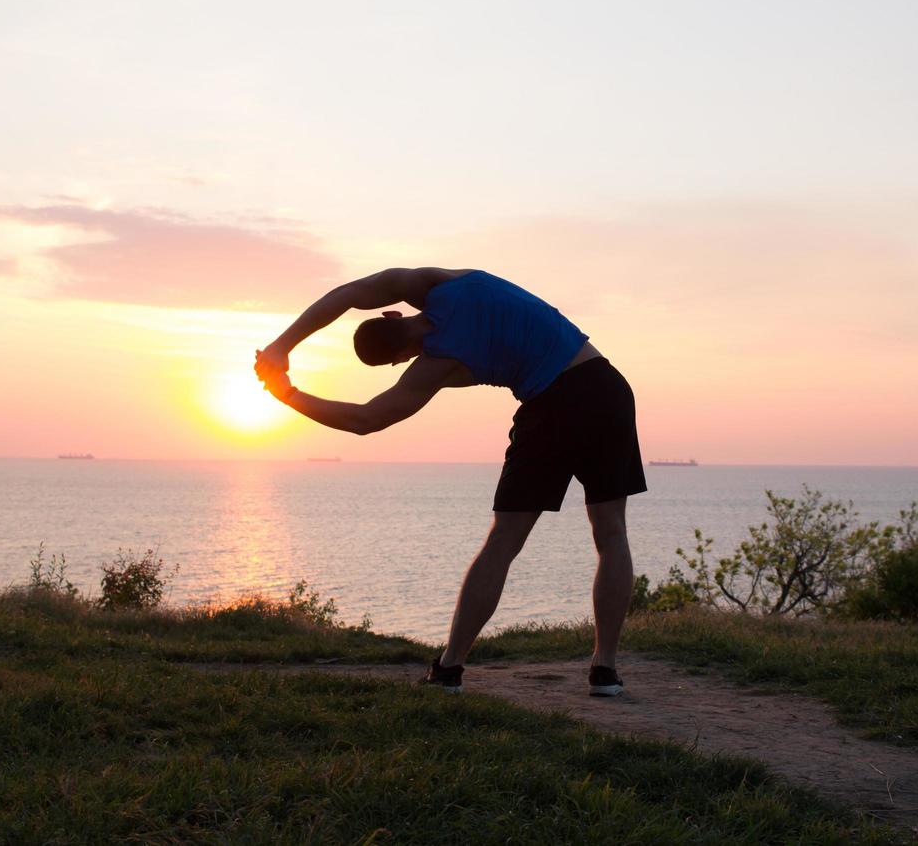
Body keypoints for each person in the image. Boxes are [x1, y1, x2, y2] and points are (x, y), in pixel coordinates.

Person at [253, 267, 646, 696]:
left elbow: (364, 419)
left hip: (551, 404)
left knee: (503, 543)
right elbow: (349, 292)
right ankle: (604, 670)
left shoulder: (438, 364)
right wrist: (280, 346)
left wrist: (286, 394)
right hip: (606, 386)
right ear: (390, 315)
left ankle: (449, 669)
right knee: (611, 533)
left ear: (398, 359)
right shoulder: (438, 283)